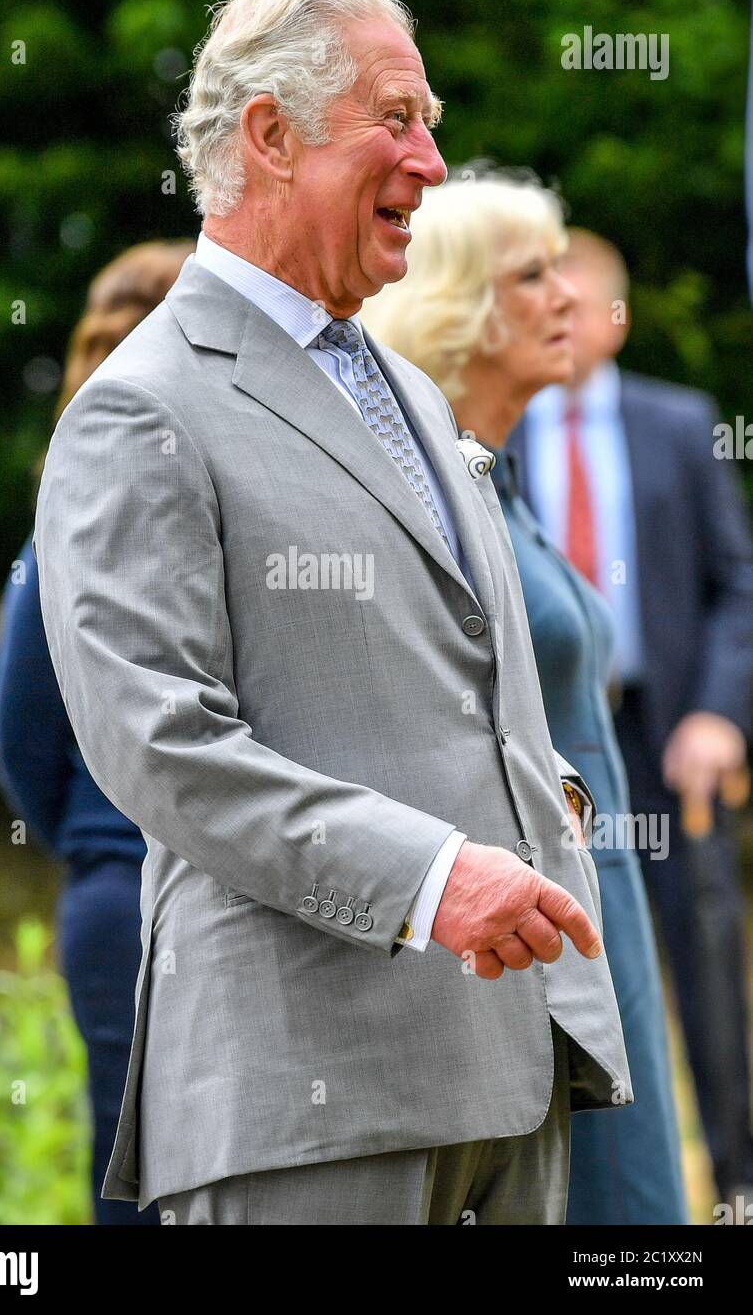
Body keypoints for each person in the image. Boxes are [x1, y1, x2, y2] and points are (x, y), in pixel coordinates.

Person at [34, 0, 631, 1227]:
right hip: (310, 1100)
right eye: (396, 118)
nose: (431, 158)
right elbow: (161, 744)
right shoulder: (140, 408)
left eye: (428, 119)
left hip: (509, 1077)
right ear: (268, 134)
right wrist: (432, 877)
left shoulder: (405, 388)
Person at [361, 170, 688, 1225]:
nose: (570, 299)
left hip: (596, 897)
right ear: (456, 305)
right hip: (518, 923)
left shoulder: (492, 474)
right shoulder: (419, 493)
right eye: (533, 275)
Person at [509, 228, 753, 1207]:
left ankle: (735, 1184)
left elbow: (736, 582)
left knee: (703, 964)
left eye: (578, 298)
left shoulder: (678, 422)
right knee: (560, 962)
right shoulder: (494, 428)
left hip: (664, 735)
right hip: (544, 738)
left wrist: (718, 716)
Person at [0, 240, 195, 1225]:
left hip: (222, 895)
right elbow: (20, 734)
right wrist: (102, 840)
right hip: (125, 904)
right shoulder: (60, 533)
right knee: (142, 1182)